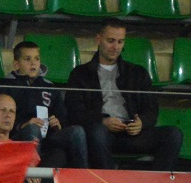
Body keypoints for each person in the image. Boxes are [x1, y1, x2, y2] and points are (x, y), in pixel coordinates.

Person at [65, 21, 182, 170]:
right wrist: (103, 121)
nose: (116, 47)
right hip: (102, 133)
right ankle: (108, 181)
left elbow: (151, 110)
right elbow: (75, 111)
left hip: (132, 132)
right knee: (97, 133)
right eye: (111, 41)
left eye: (120, 42)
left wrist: (141, 123)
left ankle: (158, 182)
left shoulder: (138, 73)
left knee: (173, 134)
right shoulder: (80, 74)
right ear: (98, 39)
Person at [2, 39, 88, 168]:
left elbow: (62, 116)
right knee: (33, 128)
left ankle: (83, 176)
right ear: (16, 64)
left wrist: (58, 124)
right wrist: (24, 125)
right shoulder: (6, 86)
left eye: (36, 59)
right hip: (20, 136)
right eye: (27, 59)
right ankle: (32, 175)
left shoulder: (49, 86)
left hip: (47, 137)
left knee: (77, 132)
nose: (33, 63)